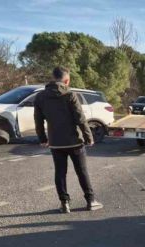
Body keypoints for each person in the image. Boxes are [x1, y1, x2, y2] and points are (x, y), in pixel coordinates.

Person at [34, 66, 102, 213]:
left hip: (56, 142)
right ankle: (91, 201)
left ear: (53, 78)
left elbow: (38, 121)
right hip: (74, 141)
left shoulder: (40, 97)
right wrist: (88, 137)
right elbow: (80, 118)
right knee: (82, 171)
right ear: (67, 80)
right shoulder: (70, 95)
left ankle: (64, 203)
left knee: (60, 172)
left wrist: (43, 138)